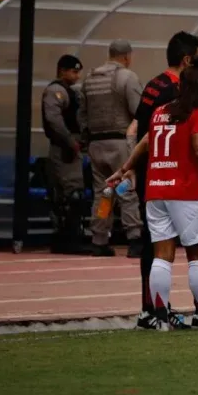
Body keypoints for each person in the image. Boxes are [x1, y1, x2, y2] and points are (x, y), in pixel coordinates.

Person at [107, 60, 198, 332]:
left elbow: (145, 142)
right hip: (186, 190)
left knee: (162, 256)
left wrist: (125, 169)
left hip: (156, 188)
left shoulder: (159, 112)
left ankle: (160, 319)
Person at [132, 31, 198, 329]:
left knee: (154, 243)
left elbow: (139, 128)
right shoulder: (174, 91)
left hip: (150, 172)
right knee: (166, 247)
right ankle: (156, 310)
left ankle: (151, 309)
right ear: (186, 60)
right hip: (168, 174)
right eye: (197, 62)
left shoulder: (153, 84)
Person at [80, 40, 143, 257]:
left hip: (96, 145)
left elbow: (82, 115)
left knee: (104, 193)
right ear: (126, 56)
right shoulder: (127, 77)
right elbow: (138, 112)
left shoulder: (90, 79)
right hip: (120, 144)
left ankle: (99, 239)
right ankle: (134, 238)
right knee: (126, 190)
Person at [41, 54, 87, 255]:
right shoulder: (56, 91)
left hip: (68, 147)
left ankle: (68, 238)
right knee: (71, 193)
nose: (77, 76)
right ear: (62, 71)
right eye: (74, 72)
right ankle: (68, 239)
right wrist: (70, 141)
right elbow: (54, 120)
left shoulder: (69, 91)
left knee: (70, 193)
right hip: (63, 148)